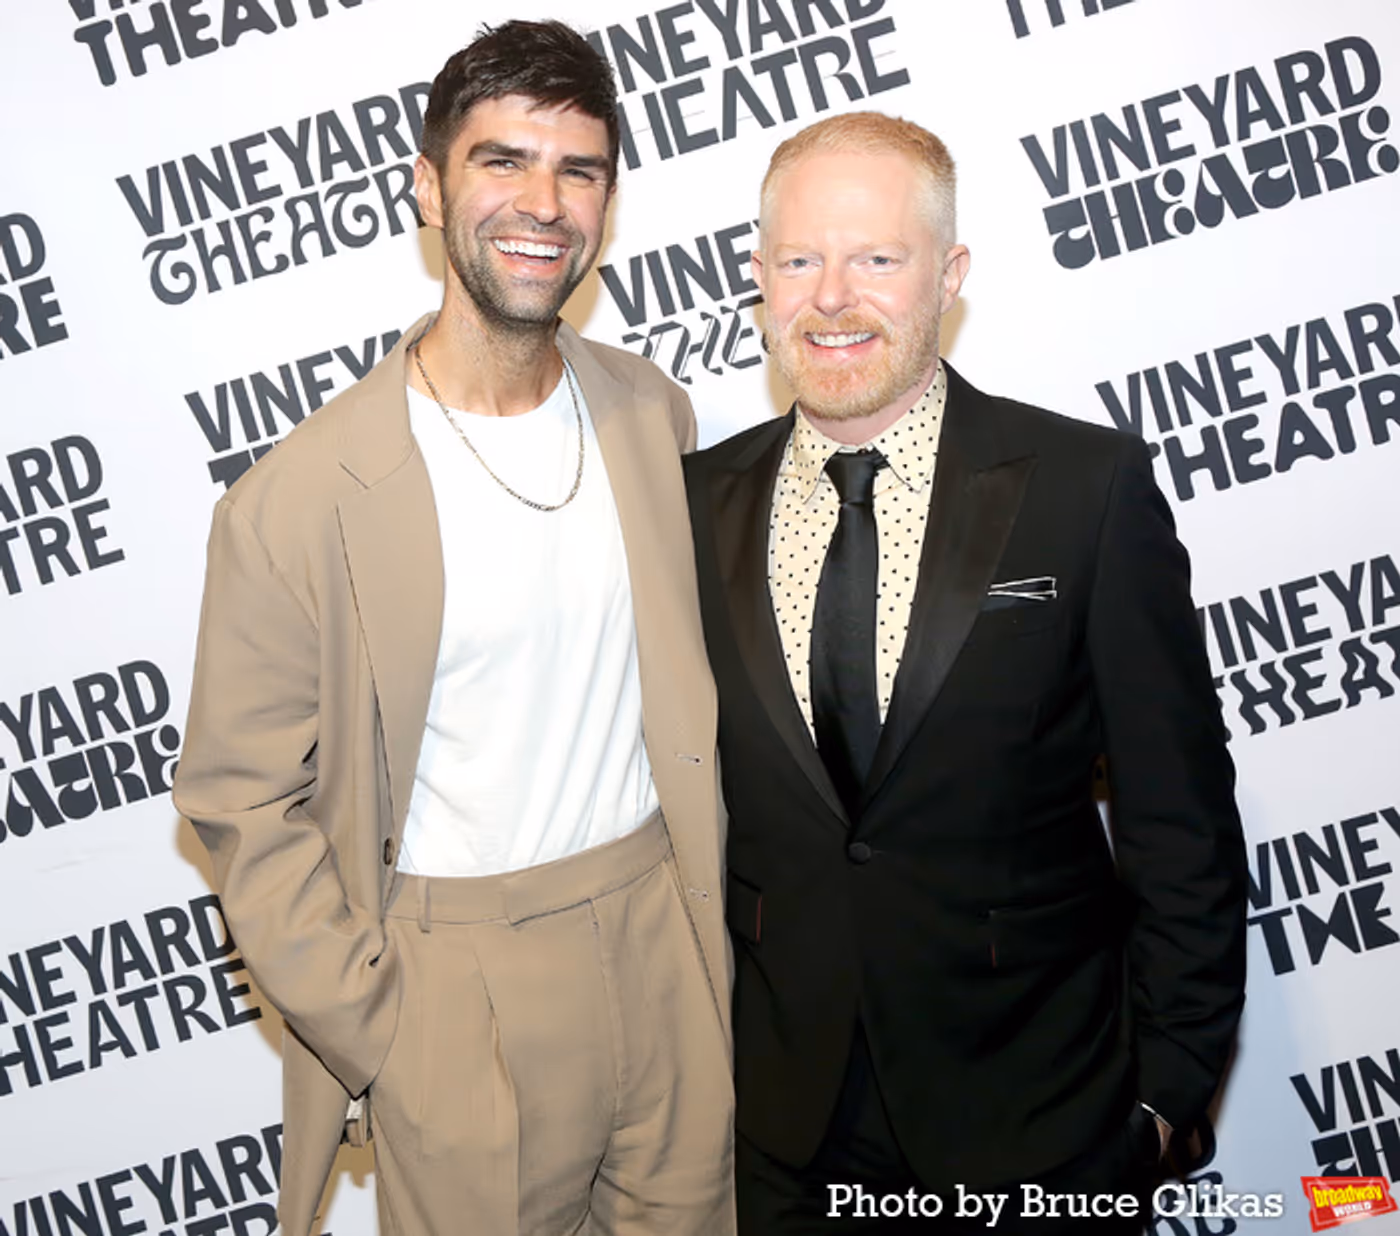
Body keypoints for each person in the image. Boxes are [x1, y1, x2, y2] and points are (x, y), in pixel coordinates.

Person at [173, 21, 733, 1236]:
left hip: (665, 935)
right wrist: (384, 1032)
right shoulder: (298, 498)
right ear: (427, 186)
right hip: (455, 990)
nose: (542, 203)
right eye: (501, 161)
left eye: (578, 171)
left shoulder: (653, 414)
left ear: (607, 201)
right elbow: (238, 801)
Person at [683, 111, 1248, 1233]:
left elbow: (1176, 819)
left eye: (875, 260)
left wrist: (1160, 1099)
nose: (831, 297)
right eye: (799, 260)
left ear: (947, 276)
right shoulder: (687, 510)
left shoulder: (1083, 491)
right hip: (785, 1146)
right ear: (758, 277)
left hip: (1044, 1126)